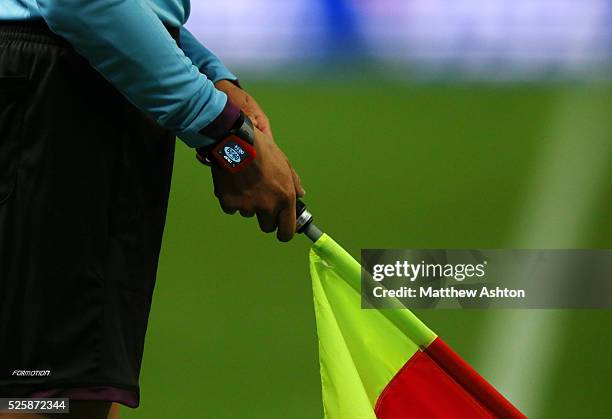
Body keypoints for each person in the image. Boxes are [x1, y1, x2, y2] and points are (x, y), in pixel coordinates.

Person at [0, 1, 304, 418]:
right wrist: (230, 139)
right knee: (52, 398)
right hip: (64, 97)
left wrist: (210, 73)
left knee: (54, 392)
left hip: (48, 84)